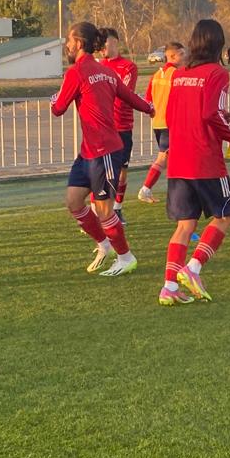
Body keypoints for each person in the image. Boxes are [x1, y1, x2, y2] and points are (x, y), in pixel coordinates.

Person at [51, 22, 154, 276]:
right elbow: (132, 98)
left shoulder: (76, 72)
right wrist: (150, 108)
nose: (67, 45)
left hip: (105, 151)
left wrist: (54, 99)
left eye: (69, 40)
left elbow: (58, 109)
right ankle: (104, 243)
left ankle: (126, 257)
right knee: (74, 201)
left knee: (105, 210)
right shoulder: (106, 72)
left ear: (79, 43)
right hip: (88, 152)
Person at [159, 19, 230, 306]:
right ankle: (193, 268)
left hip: (179, 159)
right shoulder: (217, 73)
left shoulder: (180, 73)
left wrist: (219, 117)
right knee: (225, 215)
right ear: (218, 43)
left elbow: (172, 115)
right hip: (205, 159)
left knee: (185, 224)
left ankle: (169, 287)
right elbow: (210, 113)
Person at [99, 29, 139, 223]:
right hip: (102, 127)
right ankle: (101, 211)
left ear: (115, 41)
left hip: (122, 126)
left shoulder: (128, 67)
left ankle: (117, 208)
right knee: (101, 170)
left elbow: (124, 95)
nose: (101, 48)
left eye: (104, 43)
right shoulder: (98, 66)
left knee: (121, 171)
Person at [138, 41, 185, 203]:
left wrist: (154, 112)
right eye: (181, 54)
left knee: (172, 158)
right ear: (171, 56)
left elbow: (148, 100)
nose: (185, 57)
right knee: (163, 158)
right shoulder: (176, 74)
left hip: (157, 123)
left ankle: (177, 192)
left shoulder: (156, 75)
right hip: (170, 123)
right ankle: (146, 189)